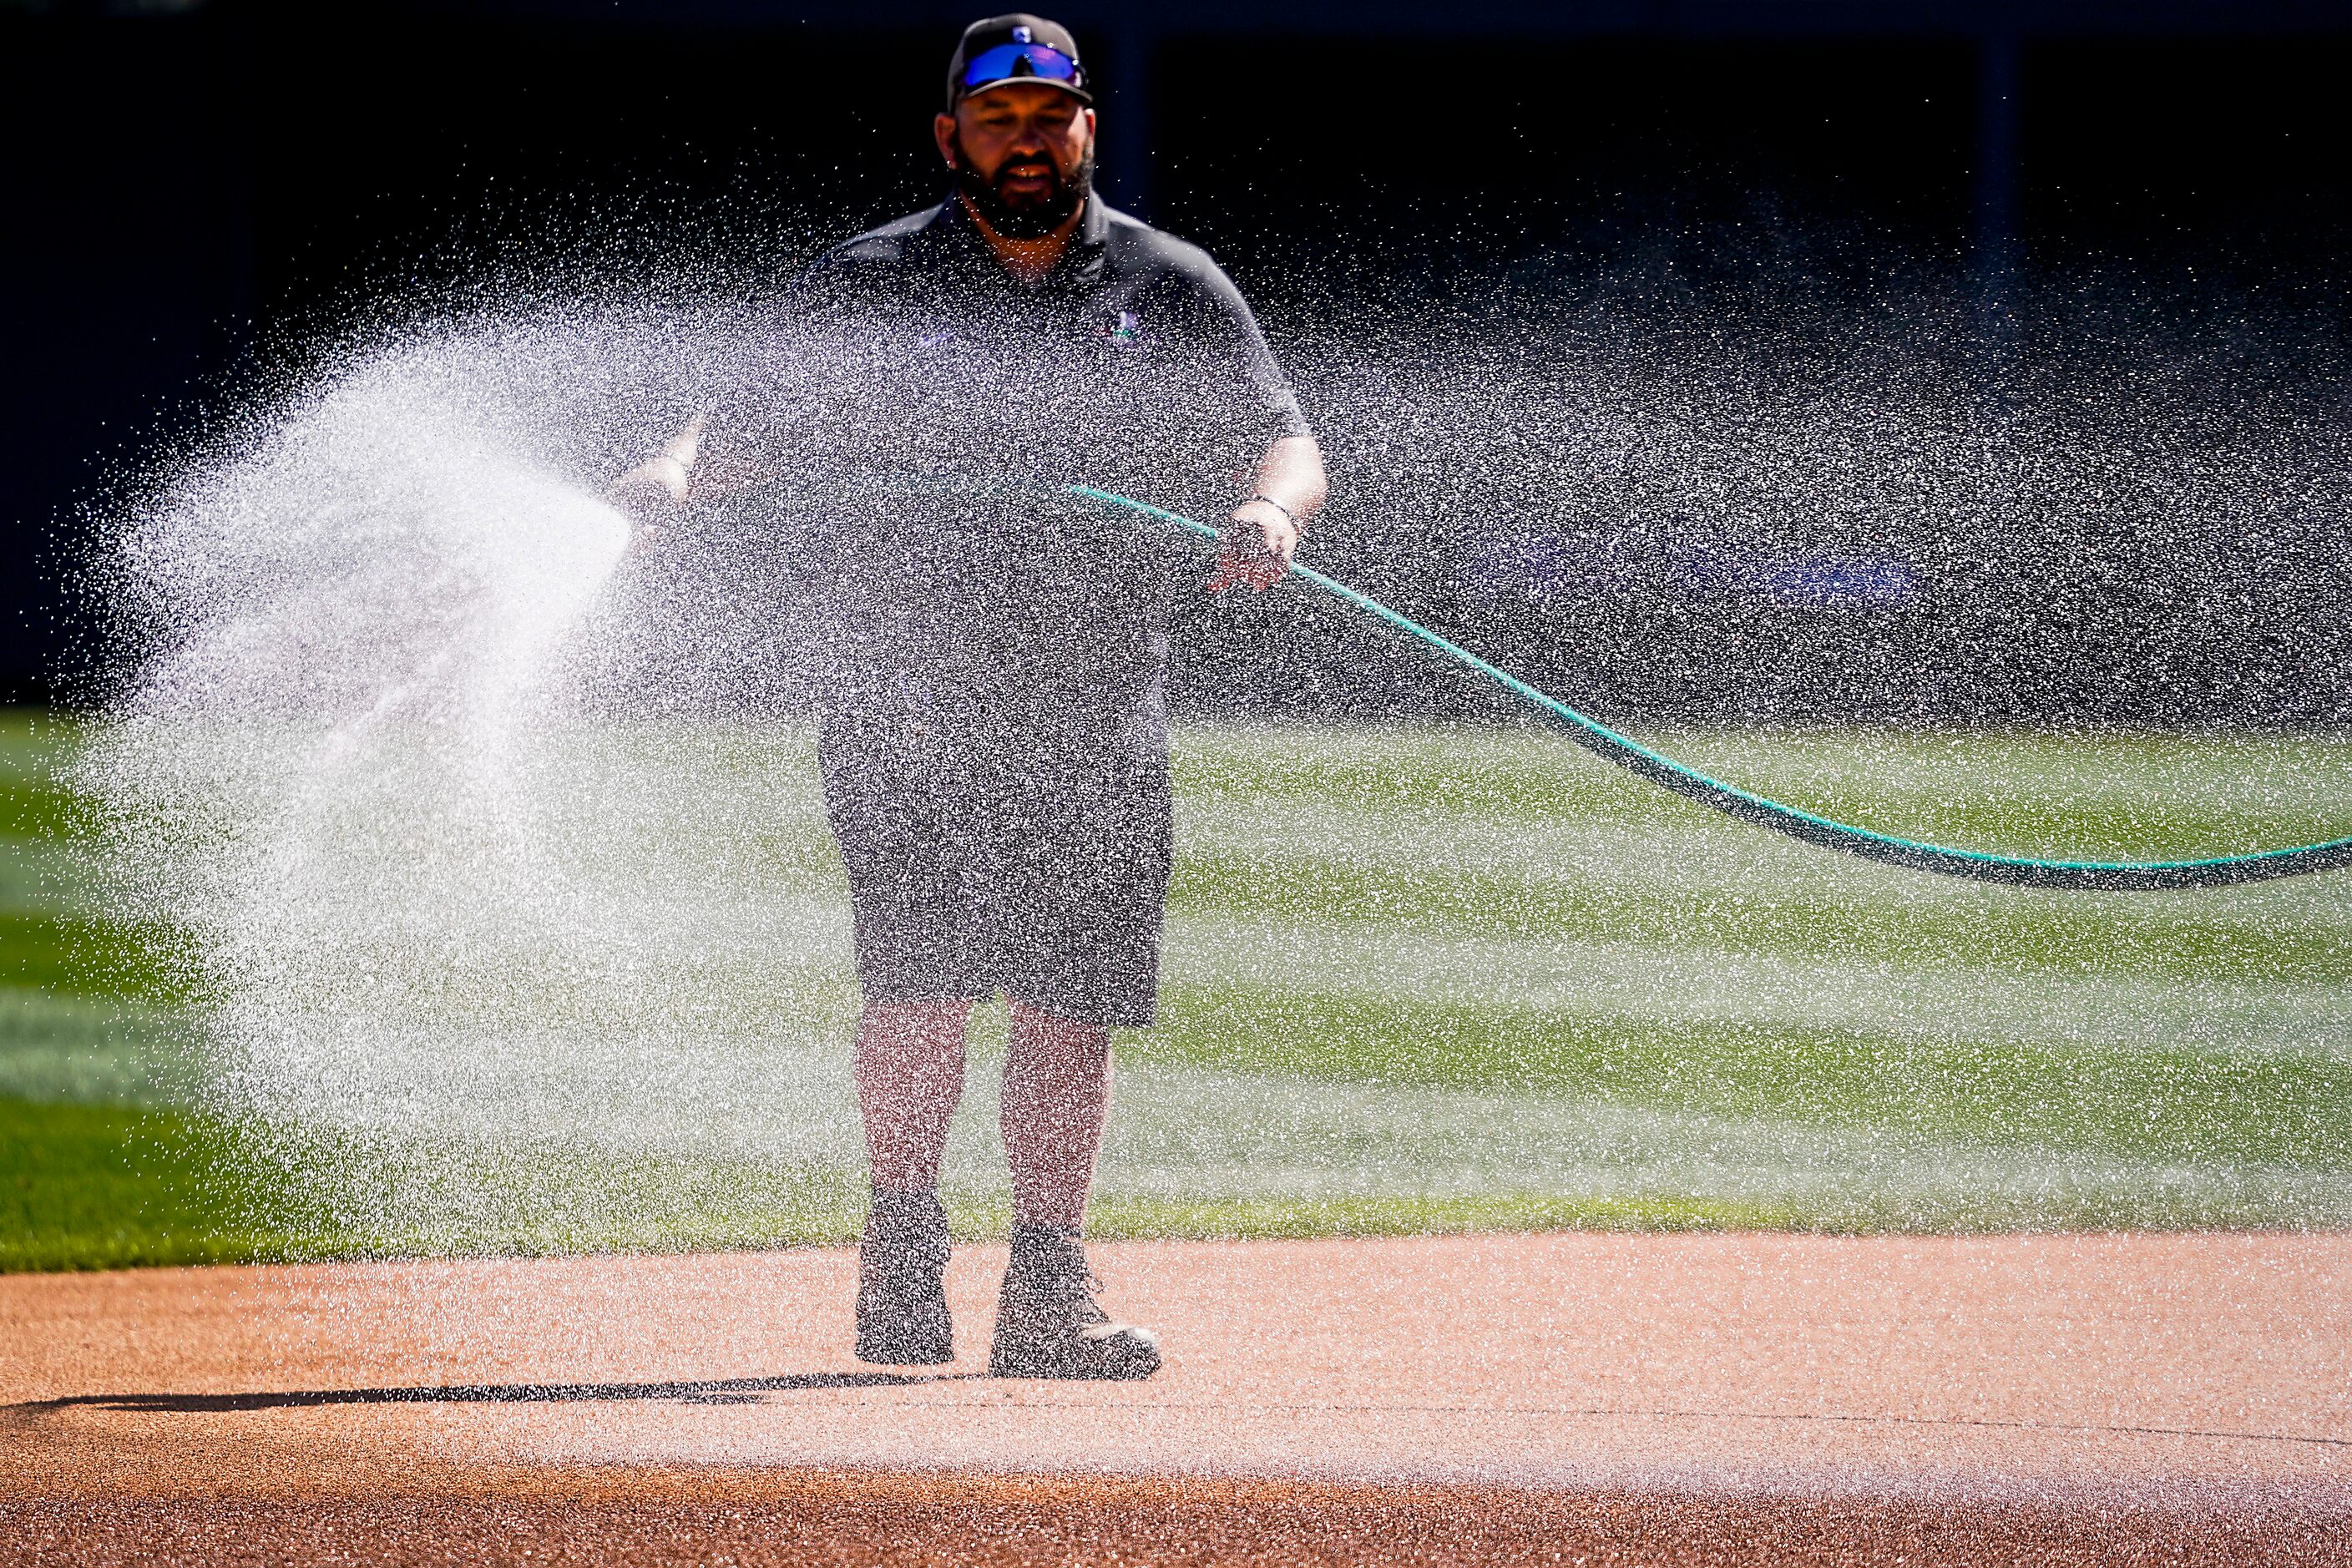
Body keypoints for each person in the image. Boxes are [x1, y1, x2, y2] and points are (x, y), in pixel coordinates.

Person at [609, 13, 1326, 1380]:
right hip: (906, 695)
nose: (1025, 139)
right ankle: (898, 1257)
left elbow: (1283, 436)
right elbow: (738, 428)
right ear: (951, 138)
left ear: (1086, 131)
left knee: (1070, 999)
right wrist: (667, 475)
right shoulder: (868, 281)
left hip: (1099, 694)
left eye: (1048, 116)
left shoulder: (1168, 282)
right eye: (997, 118)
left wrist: (1266, 510)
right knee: (921, 985)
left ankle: (1048, 1289)